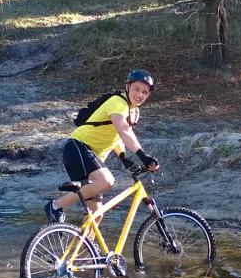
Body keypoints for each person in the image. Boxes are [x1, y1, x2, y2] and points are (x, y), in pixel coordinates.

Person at [44, 69, 160, 223]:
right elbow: (123, 130)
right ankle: (56, 205)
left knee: (96, 213)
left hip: (87, 155)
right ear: (128, 87)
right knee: (107, 181)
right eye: (136, 89)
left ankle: (84, 247)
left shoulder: (134, 111)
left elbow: (118, 137)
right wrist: (142, 155)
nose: (140, 95)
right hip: (78, 147)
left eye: (145, 92)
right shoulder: (118, 103)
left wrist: (124, 157)